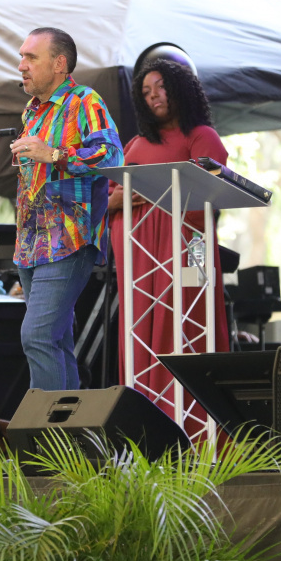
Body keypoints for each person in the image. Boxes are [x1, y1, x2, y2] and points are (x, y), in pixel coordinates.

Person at [109, 59, 229, 428]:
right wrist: (120, 199)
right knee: (141, 335)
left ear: (181, 90)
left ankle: (195, 429)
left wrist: (145, 191)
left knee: (188, 327)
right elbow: (108, 197)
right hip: (139, 256)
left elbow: (208, 194)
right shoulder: (136, 144)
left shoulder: (201, 136)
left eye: (161, 87)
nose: (154, 96)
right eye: (146, 92)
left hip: (188, 248)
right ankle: (148, 430)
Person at [10, 27, 124, 391]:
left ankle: (46, 424)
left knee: (37, 336)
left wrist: (55, 154)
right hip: (31, 242)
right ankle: (71, 425)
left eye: (31, 57)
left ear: (60, 64)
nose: (21, 65)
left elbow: (112, 156)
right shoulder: (32, 111)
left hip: (68, 239)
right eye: (21, 57)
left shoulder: (84, 101)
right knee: (55, 341)